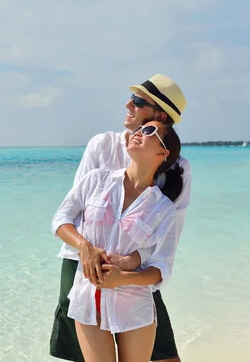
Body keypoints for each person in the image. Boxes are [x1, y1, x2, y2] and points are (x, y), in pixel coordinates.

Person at [49, 74, 191, 362]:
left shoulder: (178, 168)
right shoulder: (102, 145)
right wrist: (87, 251)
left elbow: (165, 237)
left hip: (133, 270)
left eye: (139, 101)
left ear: (160, 114)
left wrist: (129, 266)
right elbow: (75, 211)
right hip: (81, 260)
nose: (129, 104)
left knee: (164, 355)